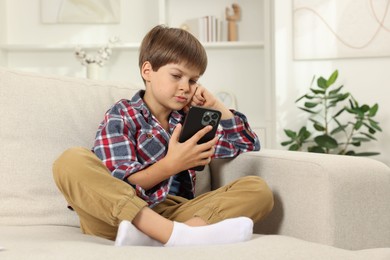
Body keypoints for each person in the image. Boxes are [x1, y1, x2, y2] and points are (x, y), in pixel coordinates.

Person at [53, 25, 274, 247]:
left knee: (258, 190)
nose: (185, 87)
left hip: (176, 212)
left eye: (193, 80)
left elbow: (247, 144)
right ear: (147, 71)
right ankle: (169, 234)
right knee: (70, 160)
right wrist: (172, 164)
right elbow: (120, 181)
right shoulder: (123, 114)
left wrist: (217, 106)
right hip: (118, 216)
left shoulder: (189, 122)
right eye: (176, 76)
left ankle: (176, 235)